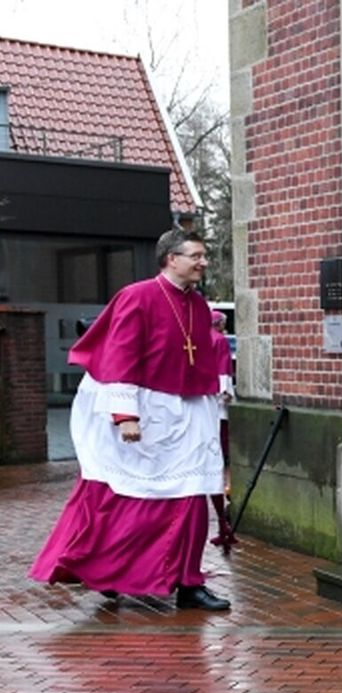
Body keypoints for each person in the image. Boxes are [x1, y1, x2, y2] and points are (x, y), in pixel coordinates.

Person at [30, 229, 231, 611]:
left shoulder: (199, 305)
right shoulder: (137, 296)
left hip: (189, 412)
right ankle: (111, 572)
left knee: (191, 497)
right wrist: (126, 416)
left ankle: (189, 584)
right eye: (196, 256)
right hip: (147, 412)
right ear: (171, 258)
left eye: (204, 256)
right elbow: (119, 356)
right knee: (130, 497)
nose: (203, 262)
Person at [208, 308, 237, 549]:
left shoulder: (201, 338)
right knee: (221, 448)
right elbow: (223, 369)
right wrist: (226, 393)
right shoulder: (219, 340)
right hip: (217, 404)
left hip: (203, 400)